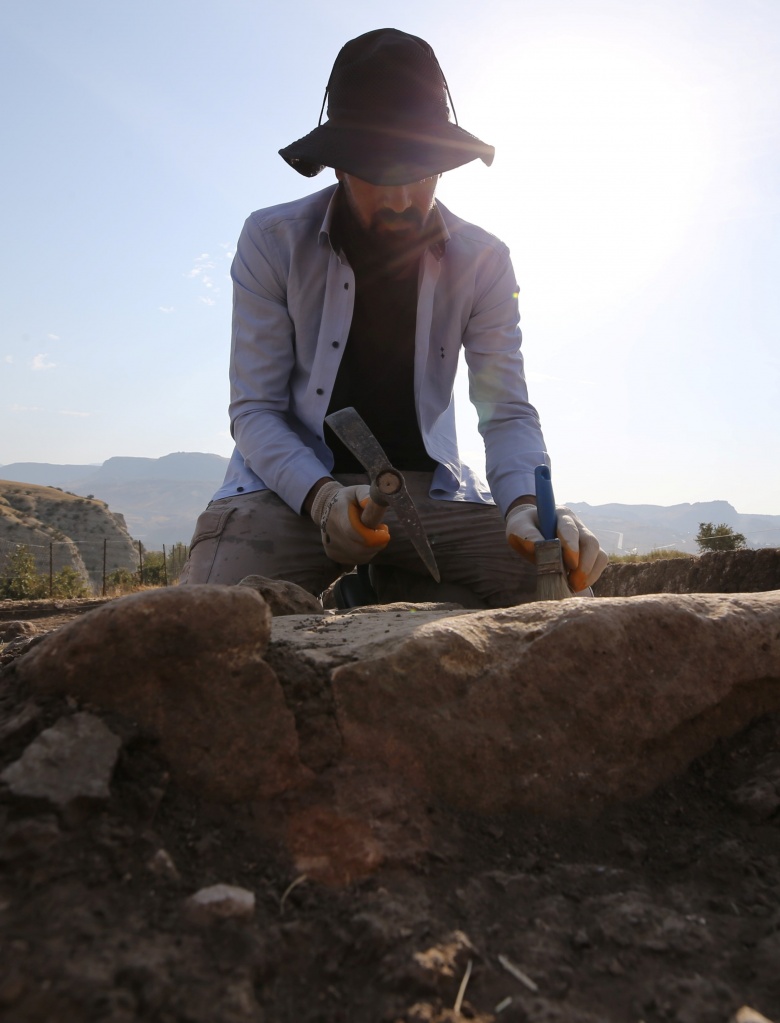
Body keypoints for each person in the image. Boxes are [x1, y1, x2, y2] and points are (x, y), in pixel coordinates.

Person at [180, 28, 607, 607]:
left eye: (423, 171)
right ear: (339, 168)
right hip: (291, 494)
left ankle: (394, 579)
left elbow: (505, 412)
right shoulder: (272, 241)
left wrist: (527, 508)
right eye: (381, 175)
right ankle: (378, 576)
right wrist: (324, 498)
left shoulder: (485, 261)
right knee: (205, 619)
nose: (405, 198)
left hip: (435, 499)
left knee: (556, 592)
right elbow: (255, 411)